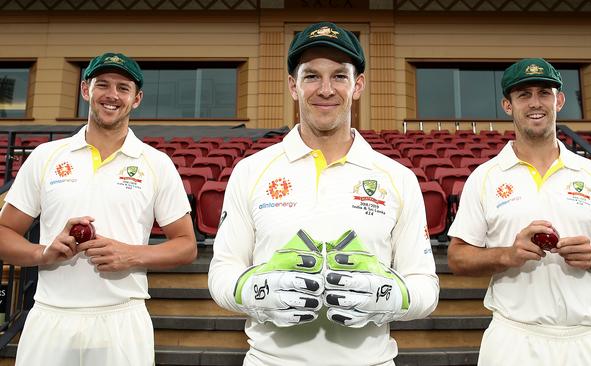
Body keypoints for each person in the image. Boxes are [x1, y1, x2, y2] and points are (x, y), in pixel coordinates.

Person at [208, 21, 439, 366]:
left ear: (358, 85)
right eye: (312, 76)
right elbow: (222, 272)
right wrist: (255, 290)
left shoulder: (397, 178)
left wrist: (393, 296)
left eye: (339, 76)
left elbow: (425, 287)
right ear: (293, 86)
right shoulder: (251, 171)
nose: (325, 89)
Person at [0, 52, 197, 366]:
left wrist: (130, 254)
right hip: (51, 315)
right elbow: (4, 232)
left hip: (121, 320)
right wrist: (42, 252)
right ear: (85, 90)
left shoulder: (156, 163)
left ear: (136, 99)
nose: (112, 95)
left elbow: (187, 246)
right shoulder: (46, 156)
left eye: (123, 88)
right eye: (102, 84)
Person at [447, 57, 591, 366]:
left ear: (559, 100)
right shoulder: (485, 177)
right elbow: (457, 257)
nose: (535, 103)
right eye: (524, 94)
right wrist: (507, 255)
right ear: (508, 105)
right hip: (514, 338)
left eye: (544, 93)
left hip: (589, 337)